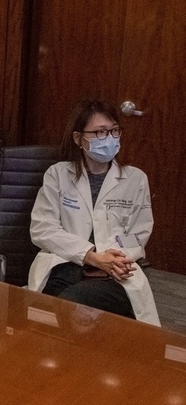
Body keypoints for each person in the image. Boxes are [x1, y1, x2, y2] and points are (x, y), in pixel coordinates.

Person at [27, 100, 159, 325]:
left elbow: (139, 232)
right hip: (65, 263)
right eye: (99, 132)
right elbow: (42, 229)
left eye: (114, 131)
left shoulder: (136, 179)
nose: (109, 138)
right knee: (56, 308)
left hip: (114, 273)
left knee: (68, 304)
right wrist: (92, 256)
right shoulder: (57, 175)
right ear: (79, 139)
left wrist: (110, 258)